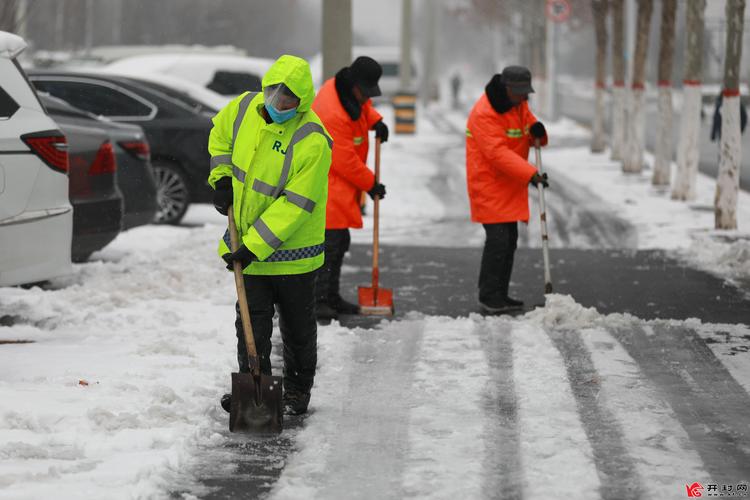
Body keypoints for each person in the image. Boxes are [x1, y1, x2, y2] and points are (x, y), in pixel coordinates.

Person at [208, 55, 332, 416]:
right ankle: (255, 388)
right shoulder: (244, 106)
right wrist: (222, 180)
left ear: (302, 101)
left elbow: (295, 204)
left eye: (286, 99)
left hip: (293, 255)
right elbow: (219, 136)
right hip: (247, 245)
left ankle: (296, 391)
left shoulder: (312, 139)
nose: (276, 103)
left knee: (296, 328)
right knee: (250, 322)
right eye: (273, 92)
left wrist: (252, 247)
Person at [465, 65, 549, 314]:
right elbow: (497, 154)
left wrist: (538, 131)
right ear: (506, 88)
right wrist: (530, 173)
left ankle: (500, 293)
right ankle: (489, 296)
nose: (524, 98)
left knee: (509, 240)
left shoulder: (519, 103)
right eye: (520, 93)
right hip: (489, 183)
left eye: (526, 94)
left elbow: (530, 125)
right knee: (498, 240)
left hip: (510, 183)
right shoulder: (484, 112)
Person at [312, 56, 389, 322]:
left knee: (339, 242)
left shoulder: (347, 91)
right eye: (365, 92)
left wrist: (376, 121)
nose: (367, 98)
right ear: (354, 85)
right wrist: (371, 184)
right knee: (329, 245)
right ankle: (319, 300)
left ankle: (331, 297)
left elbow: (363, 109)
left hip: (341, 187)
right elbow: (343, 158)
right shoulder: (331, 110)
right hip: (326, 185)